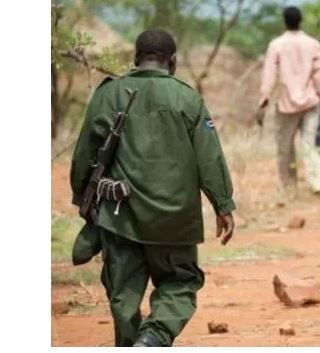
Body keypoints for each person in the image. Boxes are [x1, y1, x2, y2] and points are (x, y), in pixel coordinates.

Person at [70, 29, 236, 347]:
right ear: (172, 61)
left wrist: (84, 199)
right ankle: (153, 338)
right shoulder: (188, 98)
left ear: (136, 58)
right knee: (179, 282)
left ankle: (137, 341)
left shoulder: (108, 94)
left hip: (121, 216)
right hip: (175, 219)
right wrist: (223, 204)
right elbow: (209, 156)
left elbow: (84, 154)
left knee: (123, 295)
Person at [257, 6, 320, 199]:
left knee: (285, 147)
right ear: (301, 21)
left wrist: (263, 102)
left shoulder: (277, 45)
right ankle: (318, 184)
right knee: (311, 143)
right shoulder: (313, 44)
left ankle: (289, 188)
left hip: (286, 104)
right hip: (311, 102)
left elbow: (269, 76)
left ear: (285, 21)